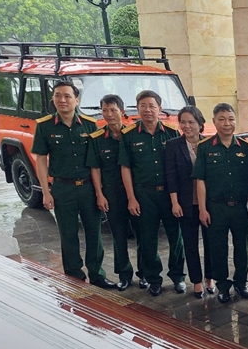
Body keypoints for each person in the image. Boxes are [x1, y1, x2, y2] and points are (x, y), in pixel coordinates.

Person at [32, 81, 115, 288]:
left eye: (67, 96)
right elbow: (41, 160)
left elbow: (96, 162)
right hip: (62, 188)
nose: (62, 100)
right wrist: (46, 192)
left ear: (76, 100)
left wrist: (99, 192)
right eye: (57, 95)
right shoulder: (44, 126)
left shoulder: (89, 124)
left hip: (88, 188)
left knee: (94, 233)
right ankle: (74, 277)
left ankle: (97, 274)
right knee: (68, 235)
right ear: (53, 99)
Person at [119, 90, 185, 296]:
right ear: (137, 108)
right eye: (143, 106)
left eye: (152, 106)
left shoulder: (172, 133)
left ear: (160, 108)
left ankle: (178, 276)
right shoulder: (129, 135)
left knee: (176, 237)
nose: (147, 110)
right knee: (147, 239)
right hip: (144, 194)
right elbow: (125, 168)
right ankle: (153, 278)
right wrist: (131, 198)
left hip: (169, 194)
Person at [193, 103, 248, 304]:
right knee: (218, 248)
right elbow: (200, 180)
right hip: (216, 207)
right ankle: (222, 286)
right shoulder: (204, 147)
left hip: (240, 207)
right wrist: (202, 209)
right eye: (221, 119)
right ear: (214, 121)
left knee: (242, 247)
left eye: (230, 119)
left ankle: (241, 282)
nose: (227, 123)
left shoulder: (246, 148)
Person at [87, 94, 142, 291]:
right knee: (119, 235)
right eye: (105, 110)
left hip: (137, 192)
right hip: (112, 193)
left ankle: (144, 273)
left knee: (142, 234)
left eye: (113, 110)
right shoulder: (97, 139)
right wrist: (99, 194)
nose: (109, 114)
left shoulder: (133, 134)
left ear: (122, 112)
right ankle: (124, 274)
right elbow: (95, 168)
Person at [165, 106, 215, 299]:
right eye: (183, 122)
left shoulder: (208, 144)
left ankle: (210, 278)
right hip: (185, 203)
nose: (187, 126)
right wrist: (174, 202)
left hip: (208, 203)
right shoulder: (173, 145)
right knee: (190, 243)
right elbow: (171, 176)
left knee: (211, 242)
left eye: (191, 122)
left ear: (200, 124)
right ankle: (196, 281)